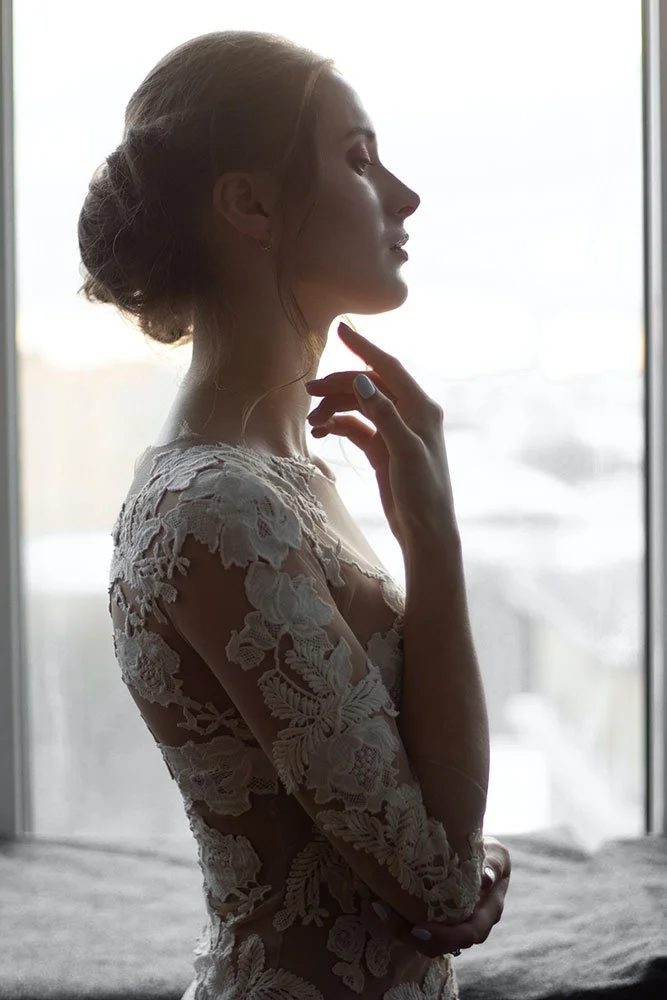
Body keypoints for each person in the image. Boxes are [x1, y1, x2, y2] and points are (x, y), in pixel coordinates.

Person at [78, 29, 511, 999]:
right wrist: (432, 541)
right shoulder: (218, 509)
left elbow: (383, 796)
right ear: (251, 203)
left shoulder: (286, 476)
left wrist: (467, 855)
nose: (404, 196)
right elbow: (436, 877)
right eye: (358, 160)